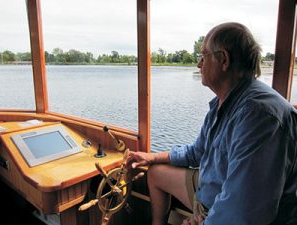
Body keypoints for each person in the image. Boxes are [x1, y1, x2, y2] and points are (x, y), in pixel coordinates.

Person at [127, 22, 297, 225]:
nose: (198, 65)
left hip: (236, 211)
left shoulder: (259, 116)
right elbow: (198, 152)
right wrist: (152, 157)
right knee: (156, 173)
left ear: (223, 59)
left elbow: (244, 212)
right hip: (211, 190)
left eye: (203, 56)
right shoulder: (224, 101)